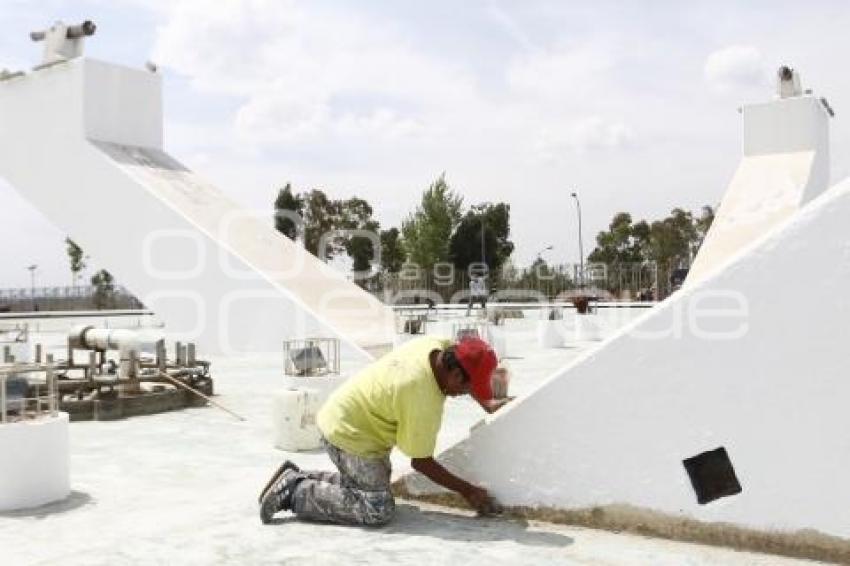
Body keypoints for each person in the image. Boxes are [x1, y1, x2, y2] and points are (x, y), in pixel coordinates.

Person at [258, 336, 510, 526]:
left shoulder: (437, 346)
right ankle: (295, 490)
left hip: (346, 414)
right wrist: (468, 491)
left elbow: (468, 366)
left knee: (370, 487)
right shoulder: (421, 397)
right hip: (349, 434)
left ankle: (299, 476)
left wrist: (486, 402)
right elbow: (421, 462)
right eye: (467, 389)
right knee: (376, 507)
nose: (463, 395)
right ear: (455, 375)